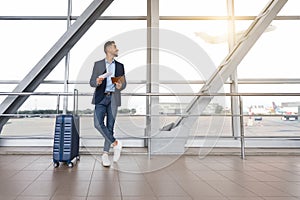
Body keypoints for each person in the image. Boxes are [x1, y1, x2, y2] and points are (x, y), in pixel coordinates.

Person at [89, 41, 126, 167]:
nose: (117, 49)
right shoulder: (98, 64)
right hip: (101, 98)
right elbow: (92, 82)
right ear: (108, 49)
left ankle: (105, 154)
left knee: (110, 127)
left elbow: (123, 83)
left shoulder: (120, 66)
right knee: (97, 123)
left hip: (113, 99)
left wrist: (121, 85)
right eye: (115, 47)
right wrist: (97, 81)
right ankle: (116, 143)